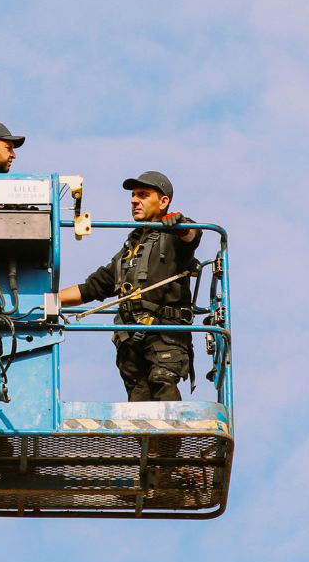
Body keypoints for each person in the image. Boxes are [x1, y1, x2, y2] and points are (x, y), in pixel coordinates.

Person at [57, 170, 202, 402]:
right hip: (130, 342)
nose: (134, 200)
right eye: (133, 195)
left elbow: (192, 235)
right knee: (137, 402)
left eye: (143, 195)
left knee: (162, 384)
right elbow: (90, 288)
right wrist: (44, 302)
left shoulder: (174, 236)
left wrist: (180, 225)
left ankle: (171, 428)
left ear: (163, 201)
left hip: (165, 336)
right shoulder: (128, 252)